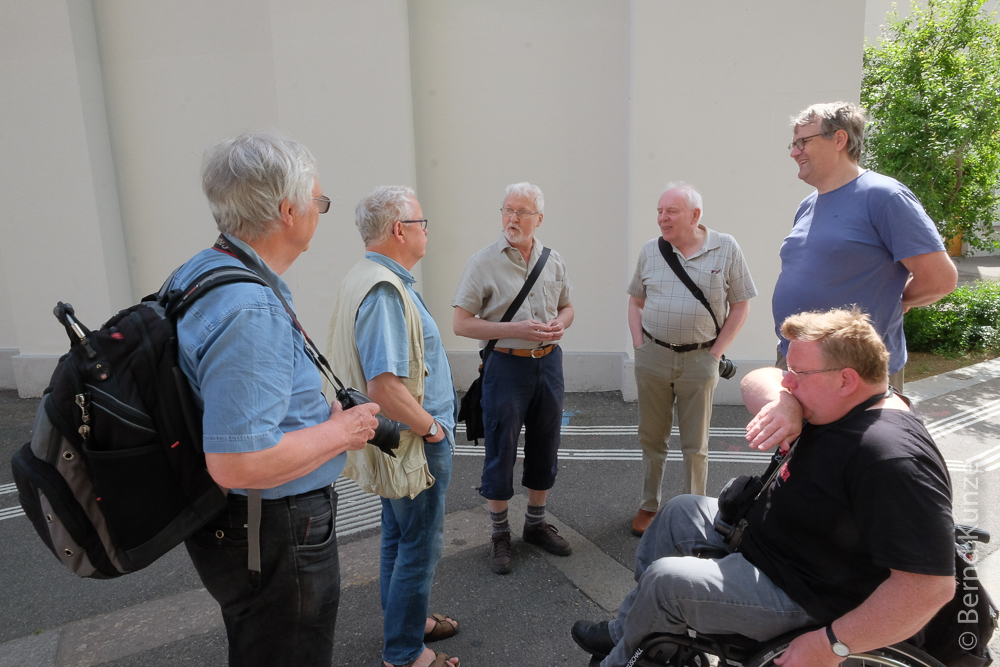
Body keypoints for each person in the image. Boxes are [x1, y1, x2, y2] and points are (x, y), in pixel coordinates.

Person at [572, 308, 955, 667]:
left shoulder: (890, 458)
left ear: (846, 379)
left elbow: (928, 589)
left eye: (798, 374)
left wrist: (831, 644)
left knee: (667, 583)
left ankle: (625, 656)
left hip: (808, 592)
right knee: (679, 512)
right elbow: (756, 381)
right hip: (774, 544)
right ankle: (632, 630)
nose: (787, 380)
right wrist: (785, 402)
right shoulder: (842, 403)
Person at [173, 132, 381, 666]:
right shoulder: (251, 308)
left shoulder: (204, 269)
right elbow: (238, 461)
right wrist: (343, 431)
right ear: (289, 211)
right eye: (319, 200)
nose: (320, 210)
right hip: (275, 526)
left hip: (242, 523)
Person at [326, 186, 460, 667]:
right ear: (400, 230)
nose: (427, 232)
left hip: (394, 440)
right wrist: (432, 429)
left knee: (398, 536)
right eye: (422, 223)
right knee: (419, 547)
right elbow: (384, 386)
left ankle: (407, 621)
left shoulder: (368, 276)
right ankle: (404, 653)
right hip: (411, 442)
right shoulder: (385, 290)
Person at [773, 101, 958, 390]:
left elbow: (940, 279)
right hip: (798, 361)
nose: (795, 152)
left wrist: (900, 301)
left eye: (802, 142)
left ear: (839, 139)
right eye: (793, 144)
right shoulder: (808, 205)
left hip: (854, 373)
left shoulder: (884, 197)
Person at [452, 182, 575, 575]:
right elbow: (461, 324)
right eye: (507, 210)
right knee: (500, 448)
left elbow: (568, 306)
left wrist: (560, 324)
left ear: (539, 219)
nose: (513, 219)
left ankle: (535, 525)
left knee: (546, 442)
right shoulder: (482, 262)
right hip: (505, 366)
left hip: (548, 363)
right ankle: (499, 533)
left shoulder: (553, 260)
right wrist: (516, 331)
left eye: (522, 212)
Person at [626, 182, 756, 536]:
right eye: (659, 211)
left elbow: (741, 304)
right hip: (653, 356)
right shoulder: (651, 251)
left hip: (700, 360)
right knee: (651, 437)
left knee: (695, 444)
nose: (662, 219)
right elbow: (636, 301)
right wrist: (639, 347)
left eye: (671, 212)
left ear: (695, 215)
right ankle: (648, 504)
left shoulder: (725, 247)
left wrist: (714, 355)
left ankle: (694, 510)